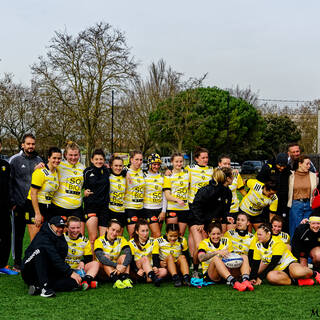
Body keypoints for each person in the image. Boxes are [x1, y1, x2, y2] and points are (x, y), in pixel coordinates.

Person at [21, 216, 82, 297]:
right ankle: (44, 289)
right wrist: (69, 272)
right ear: (51, 225)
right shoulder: (42, 236)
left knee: (73, 283)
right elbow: (54, 257)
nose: (60, 229)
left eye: (62, 227)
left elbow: (60, 258)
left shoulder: (60, 237)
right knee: (40, 251)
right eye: (58, 226)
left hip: (46, 272)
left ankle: (37, 287)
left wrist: (69, 274)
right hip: (30, 271)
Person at [189, 167, 233, 277]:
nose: (234, 178)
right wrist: (200, 222)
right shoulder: (207, 190)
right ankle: (195, 270)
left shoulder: (227, 192)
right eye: (232, 176)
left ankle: (214, 269)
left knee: (213, 245)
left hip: (211, 221)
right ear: (227, 178)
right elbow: (196, 206)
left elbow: (224, 209)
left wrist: (226, 217)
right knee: (201, 246)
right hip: (198, 220)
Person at [10, 133, 43, 271]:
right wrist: (12, 201)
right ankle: (17, 262)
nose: (31, 146)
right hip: (19, 204)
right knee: (18, 235)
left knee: (36, 235)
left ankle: (34, 260)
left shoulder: (39, 160)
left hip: (34, 205)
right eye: (28, 144)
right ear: (22, 145)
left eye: (33, 144)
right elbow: (9, 182)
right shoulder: (15, 160)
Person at [249, 223, 319, 286]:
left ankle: (315, 273)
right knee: (270, 277)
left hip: (289, 264)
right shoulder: (257, 245)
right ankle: (297, 282)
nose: (257, 236)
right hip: (278, 270)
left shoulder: (277, 242)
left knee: (297, 273)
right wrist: (253, 278)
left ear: (268, 234)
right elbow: (256, 263)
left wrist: (260, 277)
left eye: (260, 234)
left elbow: (274, 262)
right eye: (257, 234)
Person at [198, 222, 253, 291]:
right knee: (216, 258)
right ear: (209, 234)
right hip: (212, 274)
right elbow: (201, 258)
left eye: (218, 234)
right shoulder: (204, 243)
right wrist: (216, 252)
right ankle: (234, 282)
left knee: (244, 257)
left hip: (227, 271)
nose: (216, 236)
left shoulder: (227, 241)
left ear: (221, 233)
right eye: (213, 234)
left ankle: (245, 280)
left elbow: (233, 258)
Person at [25, 147, 62, 241]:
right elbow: (33, 193)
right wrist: (37, 213)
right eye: (54, 158)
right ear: (48, 158)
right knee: (35, 241)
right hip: (35, 206)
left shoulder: (56, 172)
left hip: (48, 207)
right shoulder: (40, 171)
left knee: (46, 240)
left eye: (59, 158)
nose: (57, 160)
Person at [51, 141, 86, 234]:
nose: (73, 158)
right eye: (70, 155)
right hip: (60, 207)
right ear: (65, 155)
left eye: (76, 155)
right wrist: (39, 166)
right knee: (60, 237)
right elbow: (46, 169)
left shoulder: (83, 168)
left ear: (79, 155)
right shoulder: (58, 166)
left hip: (76, 208)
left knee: (79, 237)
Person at [83, 149, 110, 254]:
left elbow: (120, 170)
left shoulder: (107, 171)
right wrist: (84, 191)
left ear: (104, 160)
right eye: (96, 159)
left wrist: (127, 173)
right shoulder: (87, 172)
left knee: (103, 239)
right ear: (92, 160)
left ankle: (102, 263)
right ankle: (93, 261)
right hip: (91, 207)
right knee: (93, 238)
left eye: (101, 159)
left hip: (104, 208)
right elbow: (80, 187)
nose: (99, 161)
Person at [257, 153, 291, 233]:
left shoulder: (288, 169)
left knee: (282, 223)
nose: (282, 168)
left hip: (282, 201)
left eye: (284, 166)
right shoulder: (268, 168)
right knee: (268, 222)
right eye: (280, 165)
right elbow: (259, 182)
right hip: (269, 200)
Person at [94, 219, 133, 289]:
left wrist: (123, 266)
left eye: (117, 231)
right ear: (107, 229)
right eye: (113, 229)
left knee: (124, 256)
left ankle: (126, 279)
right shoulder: (99, 241)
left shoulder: (121, 239)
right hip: (102, 271)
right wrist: (117, 265)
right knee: (105, 258)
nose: (115, 233)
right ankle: (116, 281)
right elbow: (101, 258)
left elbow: (129, 253)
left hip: (116, 270)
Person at [64, 216, 99, 290]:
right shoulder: (62, 238)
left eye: (78, 227)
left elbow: (89, 258)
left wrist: (82, 262)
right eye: (72, 228)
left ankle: (85, 282)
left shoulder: (84, 241)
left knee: (95, 263)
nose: (76, 230)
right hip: (65, 269)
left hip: (79, 269)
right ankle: (88, 282)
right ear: (67, 228)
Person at [287, 155, 318, 238]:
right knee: (295, 229)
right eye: (307, 164)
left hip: (309, 205)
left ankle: (306, 250)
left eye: (309, 164)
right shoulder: (291, 175)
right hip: (296, 205)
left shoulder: (313, 176)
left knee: (308, 230)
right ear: (300, 164)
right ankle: (293, 249)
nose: (309, 166)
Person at [0, 139, 18, 275]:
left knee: (6, 235)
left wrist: (11, 202)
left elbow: (10, 186)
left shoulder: (5, 165)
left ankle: (3, 265)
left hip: (4, 208)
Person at [129, 219, 163, 286]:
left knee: (164, 271)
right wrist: (137, 270)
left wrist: (155, 266)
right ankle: (153, 278)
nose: (145, 233)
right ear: (137, 231)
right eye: (143, 231)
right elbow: (131, 260)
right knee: (144, 258)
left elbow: (155, 256)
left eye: (147, 230)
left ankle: (143, 278)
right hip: (136, 267)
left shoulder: (154, 241)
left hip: (148, 267)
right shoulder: (131, 243)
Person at [163, 153, 190, 235]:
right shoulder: (168, 176)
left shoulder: (187, 174)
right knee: (171, 234)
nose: (179, 164)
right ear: (172, 162)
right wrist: (178, 200)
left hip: (184, 209)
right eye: (176, 161)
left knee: (181, 234)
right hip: (172, 208)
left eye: (181, 161)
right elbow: (167, 195)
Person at [218, 154, 247, 231]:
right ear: (219, 164)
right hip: (220, 210)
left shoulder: (235, 174)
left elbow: (242, 191)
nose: (227, 166)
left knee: (231, 235)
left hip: (233, 209)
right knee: (221, 234)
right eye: (225, 164)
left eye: (229, 164)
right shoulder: (215, 175)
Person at [143, 153, 166, 238]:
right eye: (154, 164)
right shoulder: (144, 176)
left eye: (158, 164)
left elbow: (164, 195)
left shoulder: (162, 177)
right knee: (157, 234)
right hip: (148, 209)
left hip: (159, 209)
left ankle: (152, 251)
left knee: (154, 235)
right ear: (149, 164)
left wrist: (163, 211)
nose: (156, 166)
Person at [124, 151, 145, 238]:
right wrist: (124, 172)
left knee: (142, 236)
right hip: (130, 208)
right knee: (133, 236)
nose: (139, 162)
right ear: (131, 160)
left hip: (141, 208)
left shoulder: (143, 173)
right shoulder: (125, 171)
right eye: (136, 159)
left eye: (141, 160)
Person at [107, 156, 126, 234]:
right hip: (110, 210)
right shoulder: (107, 176)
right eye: (116, 165)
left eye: (120, 166)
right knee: (109, 235)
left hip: (122, 211)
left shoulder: (126, 177)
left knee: (119, 237)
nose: (118, 168)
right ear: (111, 166)